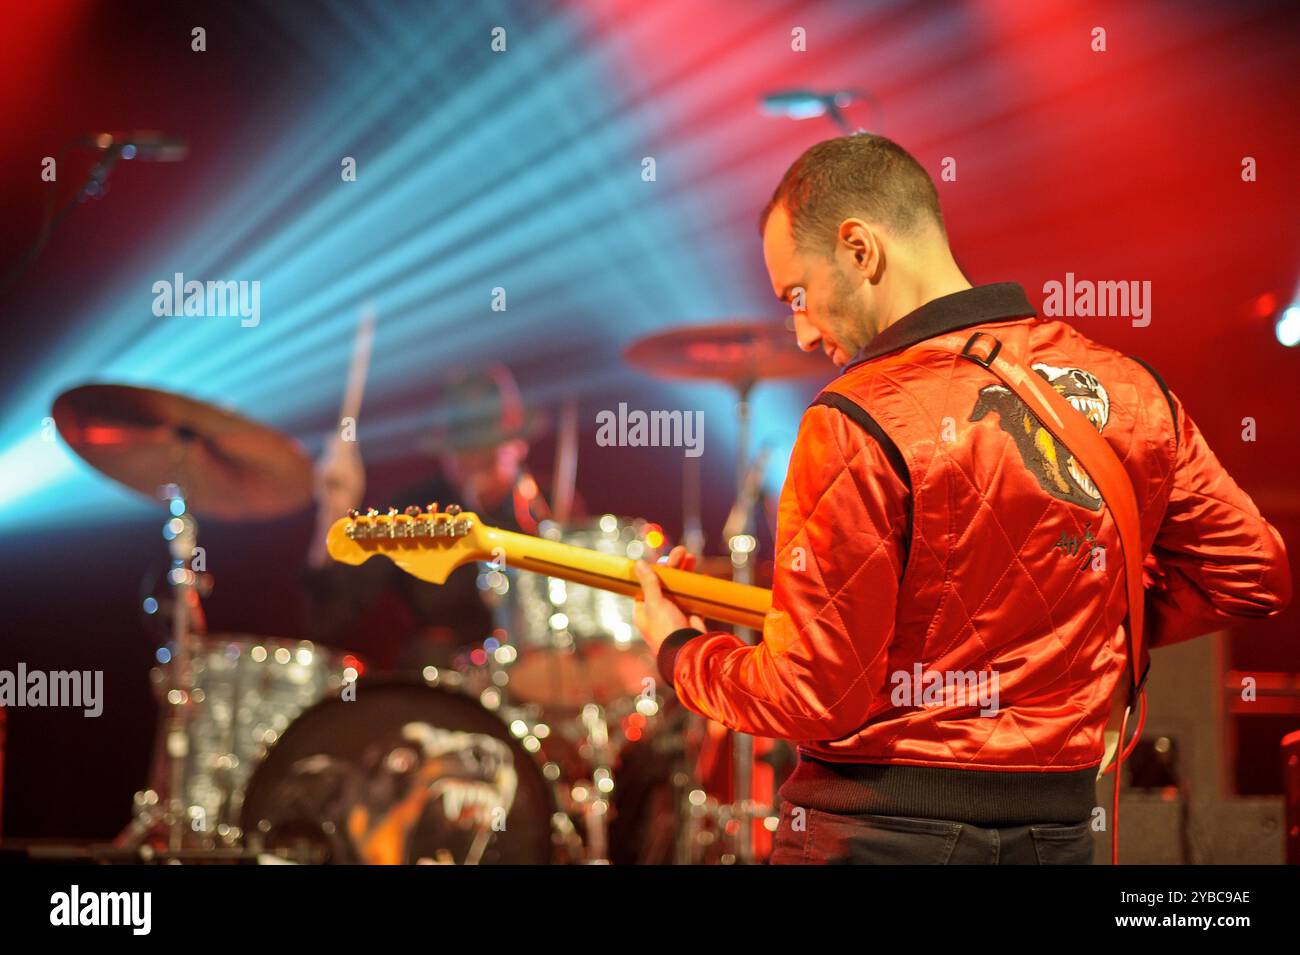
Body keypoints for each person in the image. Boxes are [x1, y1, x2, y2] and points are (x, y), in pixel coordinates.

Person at [632, 134, 1292, 864]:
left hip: (876, 834)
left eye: (798, 294)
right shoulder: (1131, 389)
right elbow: (1254, 573)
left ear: (859, 249)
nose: (802, 328)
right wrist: (1086, 618)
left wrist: (678, 648)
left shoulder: (853, 417)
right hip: (1062, 835)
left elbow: (812, 696)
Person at [303, 364, 551, 672]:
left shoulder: (547, 510)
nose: (474, 460)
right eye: (463, 449)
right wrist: (333, 513)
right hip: (439, 683)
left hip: (533, 682)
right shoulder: (413, 512)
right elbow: (329, 618)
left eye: (487, 449)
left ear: (517, 446)